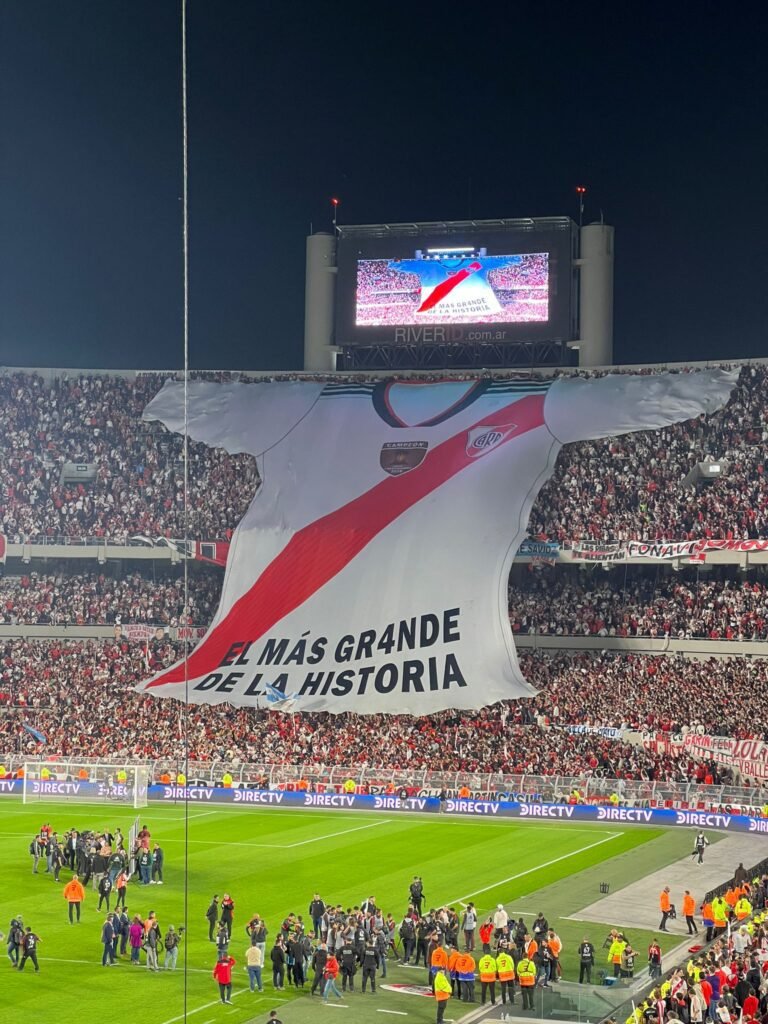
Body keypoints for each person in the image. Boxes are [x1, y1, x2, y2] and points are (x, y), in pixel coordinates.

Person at [496, 942, 515, 1019]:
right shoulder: (509, 957)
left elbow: (497, 968)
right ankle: (512, 1000)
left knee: (503, 989)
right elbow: (512, 964)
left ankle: (504, 1001)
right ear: (504, 952)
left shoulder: (497, 959)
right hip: (510, 974)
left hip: (502, 975)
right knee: (511, 988)